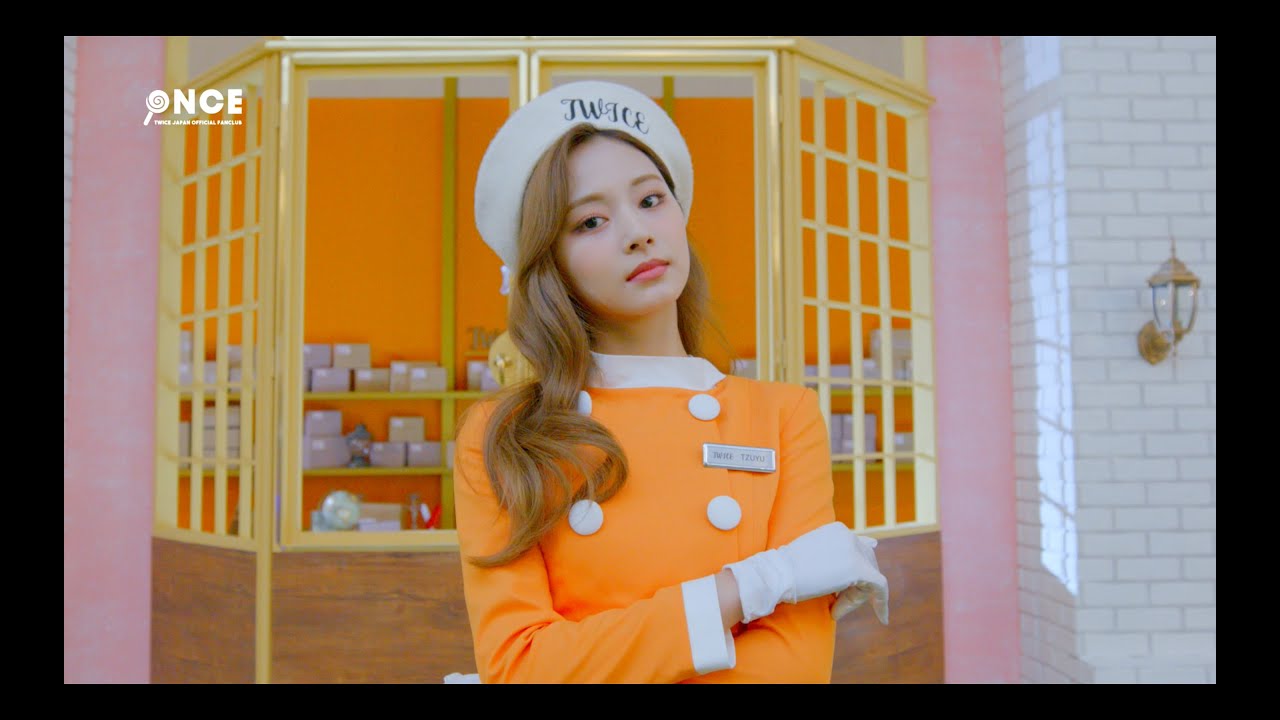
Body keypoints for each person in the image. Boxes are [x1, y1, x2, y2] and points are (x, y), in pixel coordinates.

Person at [451, 80, 888, 684]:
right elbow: (519, 667)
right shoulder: (503, 437)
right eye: (591, 221)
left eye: (651, 199)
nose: (637, 232)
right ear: (550, 264)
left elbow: (793, 669)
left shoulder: (783, 416)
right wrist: (755, 584)